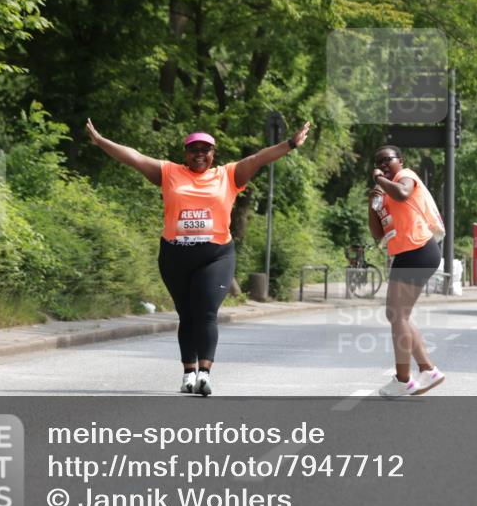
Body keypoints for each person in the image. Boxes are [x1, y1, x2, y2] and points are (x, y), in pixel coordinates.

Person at [85, 118, 310, 396]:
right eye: (194, 150)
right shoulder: (169, 172)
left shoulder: (228, 175)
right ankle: (188, 373)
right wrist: (101, 141)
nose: (200, 154)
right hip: (175, 256)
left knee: (205, 311)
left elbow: (257, 158)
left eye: (206, 149)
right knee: (186, 315)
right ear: (185, 153)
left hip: (215, 256)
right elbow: (135, 157)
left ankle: (205, 373)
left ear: (214, 154)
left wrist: (290, 144)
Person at [368, 145, 445, 397]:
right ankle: (428, 370)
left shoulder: (406, 177)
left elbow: (402, 194)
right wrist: (373, 204)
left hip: (419, 249)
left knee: (397, 315)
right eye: (378, 162)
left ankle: (404, 380)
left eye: (387, 160)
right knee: (397, 314)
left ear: (400, 161)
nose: (382, 165)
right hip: (407, 253)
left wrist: (379, 178)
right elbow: (378, 234)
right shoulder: (384, 193)